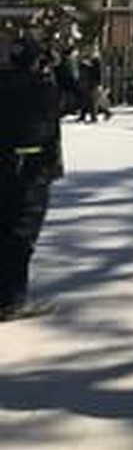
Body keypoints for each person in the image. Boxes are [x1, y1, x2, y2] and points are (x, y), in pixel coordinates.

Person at [0, 36, 63, 321]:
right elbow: (79, 96)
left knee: (4, 229)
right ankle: (13, 300)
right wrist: (60, 68)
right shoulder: (43, 90)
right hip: (32, 168)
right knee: (22, 235)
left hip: (4, 163)